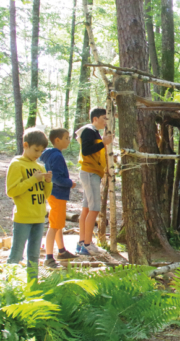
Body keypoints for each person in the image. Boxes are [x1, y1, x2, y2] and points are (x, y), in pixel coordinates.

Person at [6, 128, 53, 280]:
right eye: (36, 150)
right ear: (25, 145)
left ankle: (32, 286)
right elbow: (12, 191)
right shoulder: (17, 164)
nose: (38, 154)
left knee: (34, 255)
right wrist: (33, 179)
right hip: (23, 217)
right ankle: (8, 287)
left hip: (39, 217)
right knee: (17, 254)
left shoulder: (40, 166)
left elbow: (45, 194)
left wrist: (47, 182)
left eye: (41, 151)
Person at [75, 108, 112, 256]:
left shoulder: (94, 132)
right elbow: (86, 151)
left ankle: (82, 242)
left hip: (92, 173)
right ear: (95, 118)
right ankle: (88, 245)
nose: (105, 121)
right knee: (94, 208)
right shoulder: (89, 131)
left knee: (86, 208)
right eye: (103, 118)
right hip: (90, 173)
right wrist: (103, 143)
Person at [40, 128, 78, 268]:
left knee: (58, 224)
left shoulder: (53, 155)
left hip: (56, 194)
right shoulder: (56, 156)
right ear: (57, 140)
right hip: (57, 193)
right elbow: (55, 177)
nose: (69, 141)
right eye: (67, 138)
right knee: (54, 226)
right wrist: (70, 183)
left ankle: (61, 251)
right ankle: (49, 258)